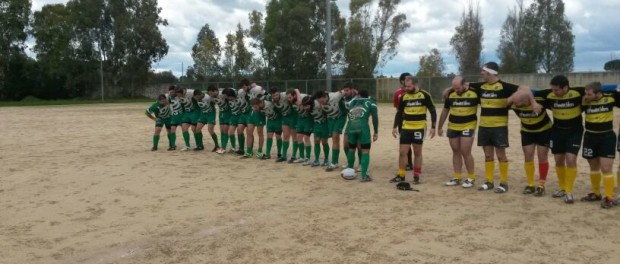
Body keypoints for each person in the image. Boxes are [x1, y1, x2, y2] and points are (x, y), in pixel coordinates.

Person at [447, 62, 541, 193]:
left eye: (483, 71)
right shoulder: (480, 86)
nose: (481, 73)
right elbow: (461, 85)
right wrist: (448, 90)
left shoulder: (505, 86)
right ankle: (489, 181)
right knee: (488, 155)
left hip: (499, 126)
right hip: (484, 126)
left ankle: (503, 183)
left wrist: (534, 102)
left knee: (501, 155)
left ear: (490, 73)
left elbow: (525, 88)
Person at [534, 75, 584, 204]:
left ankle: (569, 191)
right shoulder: (548, 95)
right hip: (557, 131)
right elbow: (532, 92)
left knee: (570, 159)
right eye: (552, 90)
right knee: (558, 160)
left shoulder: (578, 93)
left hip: (575, 131)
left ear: (566, 87)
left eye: (557, 90)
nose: (554, 92)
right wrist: (535, 103)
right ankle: (562, 187)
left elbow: (598, 90)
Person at [391, 75, 437, 184]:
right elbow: (399, 113)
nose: (406, 88)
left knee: (417, 152)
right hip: (406, 127)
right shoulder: (404, 97)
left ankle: (416, 175)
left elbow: (432, 111)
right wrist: (394, 127)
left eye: (409, 86)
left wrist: (433, 127)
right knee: (402, 152)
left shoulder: (425, 95)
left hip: (419, 128)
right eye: (405, 86)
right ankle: (401, 175)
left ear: (415, 84)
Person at [580, 82, 619, 208]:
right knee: (593, 167)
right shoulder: (585, 101)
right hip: (590, 137)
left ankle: (609, 197)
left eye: (589, 94)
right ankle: (596, 193)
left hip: (607, 137)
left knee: (606, 168)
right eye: (586, 93)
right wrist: (585, 98)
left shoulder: (611, 98)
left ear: (598, 93)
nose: (587, 96)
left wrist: (615, 86)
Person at [507, 90, 552, 196]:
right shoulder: (514, 104)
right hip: (527, 132)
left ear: (527, 101)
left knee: (542, 157)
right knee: (528, 157)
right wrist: (511, 98)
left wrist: (534, 103)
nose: (516, 105)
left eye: (518, 103)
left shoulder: (540, 101)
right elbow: (504, 102)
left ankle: (541, 185)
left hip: (544, 131)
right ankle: (530, 184)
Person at [437, 76, 479, 188]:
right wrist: (440, 127)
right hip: (453, 126)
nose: (456, 91)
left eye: (458, 88)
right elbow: (445, 111)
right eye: (454, 88)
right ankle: (457, 177)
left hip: (468, 125)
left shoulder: (475, 93)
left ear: (464, 84)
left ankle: (471, 178)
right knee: (455, 150)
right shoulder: (450, 94)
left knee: (465, 151)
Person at [317, 86, 346, 171]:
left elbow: (345, 91)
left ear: (326, 97)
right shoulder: (319, 100)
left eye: (322, 101)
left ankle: (334, 162)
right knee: (334, 139)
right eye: (320, 101)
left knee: (335, 137)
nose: (322, 103)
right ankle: (335, 162)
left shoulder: (335, 96)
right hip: (330, 119)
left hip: (340, 118)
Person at [252, 92, 283, 160]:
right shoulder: (259, 108)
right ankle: (268, 154)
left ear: (260, 103)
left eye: (256, 107)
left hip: (278, 120)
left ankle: (280, 153)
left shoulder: (269, 103)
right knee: (269, 136)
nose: (255, 108)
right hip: (270, 120)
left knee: (278, 136)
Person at [394, 73, 414, 171]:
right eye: (407, 79)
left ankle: (411, 162)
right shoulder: (398, 93)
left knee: (415, 143)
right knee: (405, 143)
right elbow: (398, 109)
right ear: (402, 81)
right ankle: (408, 162)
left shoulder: (415, 91)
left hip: (414, 120)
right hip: (403, 120)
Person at [272, 88, 299, 162]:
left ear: (279, 93)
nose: (275, 97)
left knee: (294, 136)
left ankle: (293, 156)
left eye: (276, 95)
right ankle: (284, 155)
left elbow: (294, 91)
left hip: (293, 116)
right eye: (273, 95)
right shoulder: (271, 99)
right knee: (285, 136)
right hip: (284, 117)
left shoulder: (285, 95)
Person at [304, 93, 330, 167]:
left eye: (306, 106)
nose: (305, 108)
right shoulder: (309, 108)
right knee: (316, 141)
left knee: (324, 142)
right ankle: (316, 160)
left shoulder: (318, 104)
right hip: (316, 124)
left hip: (324, 124)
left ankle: (326, 159)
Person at [194, 86, 223, 152]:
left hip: (211, 114)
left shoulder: (208, 97)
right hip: (203, 115)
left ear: (200, 94)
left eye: (197, 97)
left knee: (210, 130)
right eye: (195, 98)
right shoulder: (196, 97)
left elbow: (216, 100)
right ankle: (200, 145)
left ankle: (216, 145)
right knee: (197, 129)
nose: (197, 99)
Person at [287, 89, 312, 164]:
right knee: (298, 137)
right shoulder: (292, 100)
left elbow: (300, 103)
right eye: (287, 98)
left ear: (294, 95)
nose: (288, 99)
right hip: (300, 118)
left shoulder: (301, 97)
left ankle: (307, 158)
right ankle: (301, 157)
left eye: (290, 97)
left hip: (308, 118)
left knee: (306, 138)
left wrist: (297, 91)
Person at [242, 83, 266, 158]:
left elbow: (266, 93)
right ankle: (249, 151)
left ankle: (259, 151)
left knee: (260, 133)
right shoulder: (246, 92)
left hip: (259, 113)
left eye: (245, 86)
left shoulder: (258, 89)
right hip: (252, 113)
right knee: (249, 132)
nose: (244, 88)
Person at [177, 87, 200, 151]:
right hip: (187, 113)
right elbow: (182, 105)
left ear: (181, 92)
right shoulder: (178, 97)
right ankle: (187, 146)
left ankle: (199, 145)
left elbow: (199, 95)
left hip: (195, 112)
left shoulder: (191, 92)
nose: (178, 96)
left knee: (194, 129)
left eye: (178, 94)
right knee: (184, 127)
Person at [214, 88, 234, 154]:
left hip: (228, 114)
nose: (225, 96)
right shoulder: (220, 96)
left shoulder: (229, 96)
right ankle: (223, 147)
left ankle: (224, 148)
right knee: (222, 131)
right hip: (221, 114)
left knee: (225, 131)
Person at [167, 85, 183, 151]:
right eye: (170, 92)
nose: (171, 93)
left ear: (175, 92)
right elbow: (169, 104)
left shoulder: (179, 96)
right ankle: (173, 145)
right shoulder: (169, 97)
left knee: (185, 129)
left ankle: (189, 144)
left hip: (181, 115)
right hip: (174, 116)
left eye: (173, 92)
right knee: (172, 130)